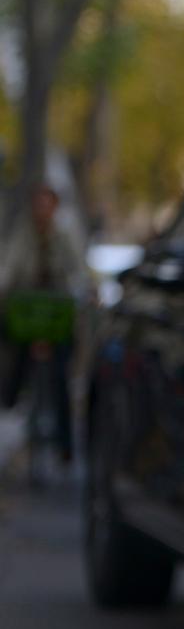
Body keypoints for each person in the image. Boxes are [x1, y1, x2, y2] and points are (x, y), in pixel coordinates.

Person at [0, 183, 93, 462]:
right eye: (37, 204)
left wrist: (87, 292)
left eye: (46, 204)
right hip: (26, 315)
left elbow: (79, 271)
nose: (41, 210)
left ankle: (65, 445)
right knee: (14, 358)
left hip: (56, 317)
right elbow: (9, 268)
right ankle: (10, 403)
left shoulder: (65, 236)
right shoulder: (23, 234)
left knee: (60, 375)